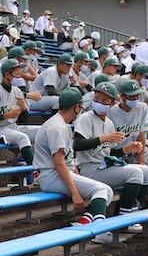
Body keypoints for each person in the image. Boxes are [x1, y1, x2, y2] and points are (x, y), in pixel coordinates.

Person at [33, 88, 116, 243]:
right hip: (51, 176)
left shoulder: (62, 124)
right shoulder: (56, 126)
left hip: (59, 173)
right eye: (80, 106)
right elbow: (59, 163)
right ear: (76, 106)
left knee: (107, 191)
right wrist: (75, 192)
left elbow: (68, 160)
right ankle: (99, 230)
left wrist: (77, 177)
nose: (81, 109)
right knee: (100, 189)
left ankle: (85, 223)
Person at [73, 82, 148, 234]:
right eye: (97, 99)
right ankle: (124, 219)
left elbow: (109, 153)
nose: (99, 103)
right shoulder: (86, 117)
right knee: (135, 173)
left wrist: (126, 149)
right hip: (88, 168)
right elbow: (77, 144)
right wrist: (103, 138)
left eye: (104, 101)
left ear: (112, 103)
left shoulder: (109, 123)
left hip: (103, 166)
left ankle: (128, 211)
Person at [0, 59, 39, 165]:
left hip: (12, 127)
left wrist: (24, 109)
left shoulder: (17, 91)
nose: (19, 76)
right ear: (7, 75)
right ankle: (37, 170)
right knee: (23, 137)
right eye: (16, 73)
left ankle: (48, 163)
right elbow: (7, 116)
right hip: (1, 129)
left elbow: (23, 120)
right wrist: (5, 116)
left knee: (41, 131)